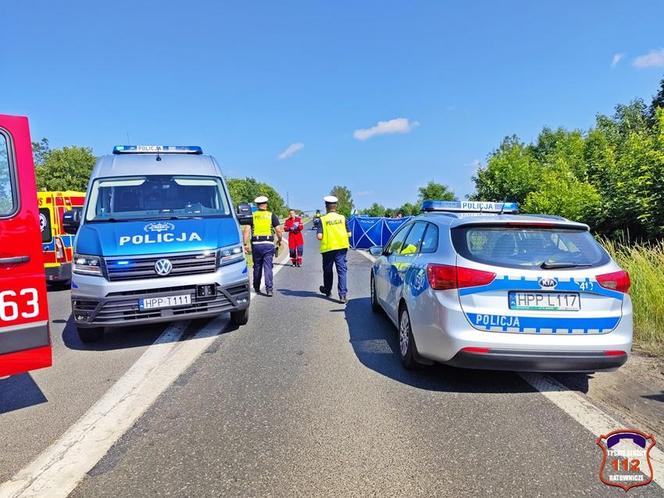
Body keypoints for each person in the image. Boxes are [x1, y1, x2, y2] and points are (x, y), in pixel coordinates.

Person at [243, 196, 283, 296]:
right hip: (268, 244)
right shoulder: (271, 215)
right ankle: (269, 289)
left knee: (257, 266)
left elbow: (247, 230)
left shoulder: (252, 215)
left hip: (256, 245)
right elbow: (278, 230)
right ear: (266, 204)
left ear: (257, 205)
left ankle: (256, 287)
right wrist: (280, 239)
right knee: (268, 267)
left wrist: (244, 244)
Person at [317, 195, 351, 303]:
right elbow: (349, 234)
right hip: (341, 248)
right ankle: (342, 295)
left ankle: (327, 290)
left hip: (328, 249)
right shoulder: (342, 218)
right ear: (335, 206)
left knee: (328, 271)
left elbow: (319, 236)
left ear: (326, 206)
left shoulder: (322, 219)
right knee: (342, 271)